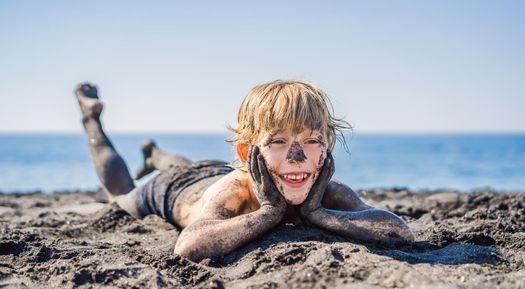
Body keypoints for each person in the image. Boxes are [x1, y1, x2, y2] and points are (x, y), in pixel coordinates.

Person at [75, 80, 414, 262]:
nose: (297, 157)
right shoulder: (235, 190)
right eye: (279, 141)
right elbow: (188, 245)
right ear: (247, 152)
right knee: (120, 194)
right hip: (173, 190)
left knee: (191, 164)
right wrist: (269, 213)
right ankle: (92, 119)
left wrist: (318, 213)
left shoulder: (326, 189)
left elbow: (399, 232)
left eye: (311, 140)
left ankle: (153, 153)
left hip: (209, 170)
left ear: (326, 147)